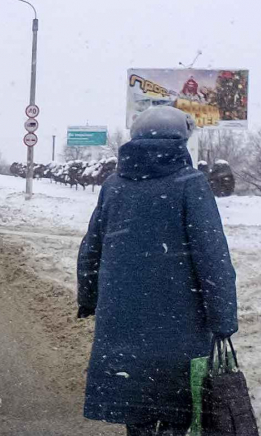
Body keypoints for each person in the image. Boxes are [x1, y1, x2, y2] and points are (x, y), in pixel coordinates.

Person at [77, 106, 238, 436]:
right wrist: (223, 320)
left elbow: (90, 250)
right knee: (179, 415)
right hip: (180, 330)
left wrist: (89, 298)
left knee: (137, 413)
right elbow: (213, 259)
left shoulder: (114, 186)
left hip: (121, 327)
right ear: (181, 138)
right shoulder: (190, 185)